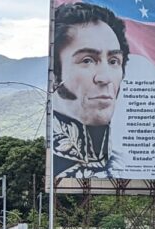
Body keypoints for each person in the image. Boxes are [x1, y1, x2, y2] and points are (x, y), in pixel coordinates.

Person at [52, 2, 129, 179]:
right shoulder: (54, 167)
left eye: (113, 61)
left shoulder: (126, 163)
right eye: (87, 60)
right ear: (56, 74)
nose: (104, 77)